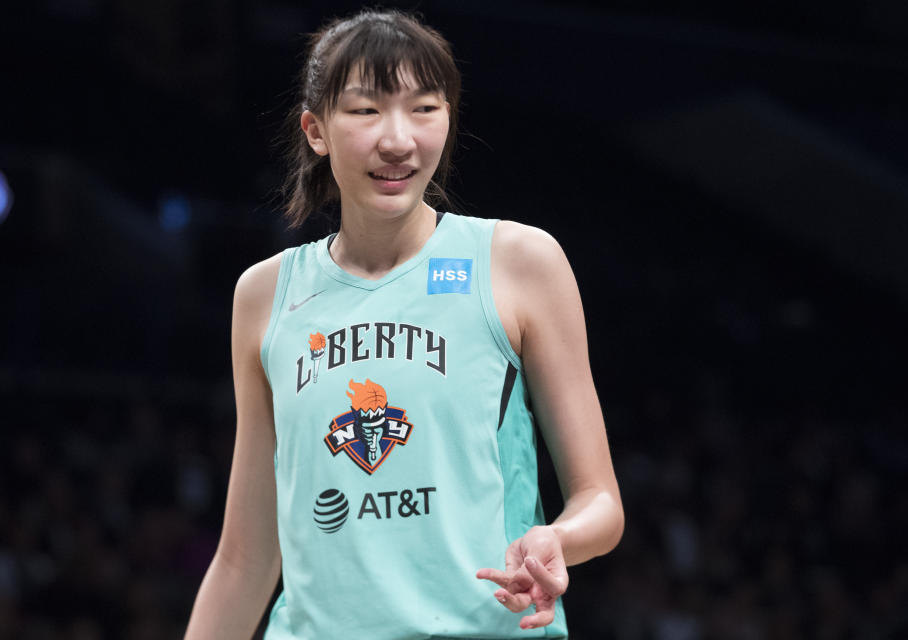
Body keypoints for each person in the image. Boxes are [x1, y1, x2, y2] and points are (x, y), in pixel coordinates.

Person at [184, 9, 623, 639]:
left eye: (424, 108)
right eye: (365, 111)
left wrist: (558, 538)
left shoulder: (519, 263)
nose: (399, 140)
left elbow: (601, 503)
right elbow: (246, 558)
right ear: (315, 130)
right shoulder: (265, 295)